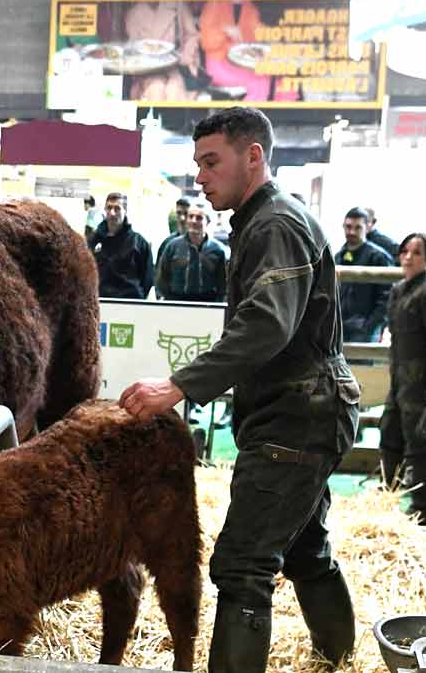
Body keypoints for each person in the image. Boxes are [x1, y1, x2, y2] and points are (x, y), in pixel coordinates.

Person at [119, 107, 359, 672]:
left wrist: (178, 385)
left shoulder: (275, 223)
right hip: (304, 408)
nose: (199, 178)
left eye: (210, 162)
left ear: (253, 156)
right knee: (303, 547)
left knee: (242, 564)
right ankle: (339, 660)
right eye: (197, 164)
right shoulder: (262, 221)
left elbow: (267, 324)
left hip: (298, 414)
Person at [379, 233, 426, 526]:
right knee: (389, 434)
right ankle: (387, 496)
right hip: (400, 377)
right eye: (405, 251)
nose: (408, 257)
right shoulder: (399, 289)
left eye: (417, 253)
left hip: (421, 381)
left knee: (419, 442)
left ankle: (422, 511)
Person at [335, 207, 394, 343]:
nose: (352, 232)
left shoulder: (379, 257)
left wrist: (369, 326)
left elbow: (388, 297)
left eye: (358, 227)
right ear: (343, 227)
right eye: (348, 227)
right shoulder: (337, 257)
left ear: (367, 228)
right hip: (339, 330)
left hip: (365, 332)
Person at [156, 198, 228, 302]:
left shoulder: (218, 250)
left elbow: (223, 286)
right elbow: (161, 279)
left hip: (208, 305)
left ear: (207, 222)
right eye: (190, 217)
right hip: (176, 303)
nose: (193, 221)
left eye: (199, 218)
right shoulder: (172, 246)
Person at [89, 193, 153, 299]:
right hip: (101, 300)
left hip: (131, 302)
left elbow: (147, 279)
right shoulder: (93, 241)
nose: (112, 213)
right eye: (109, 208)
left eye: (117, 209)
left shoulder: (138, 242)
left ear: (125, 211)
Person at [157, 196, 192, 265]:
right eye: (179, 213)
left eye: (186, 213)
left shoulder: (200, 242)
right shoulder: (167, 243)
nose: (182, 218)